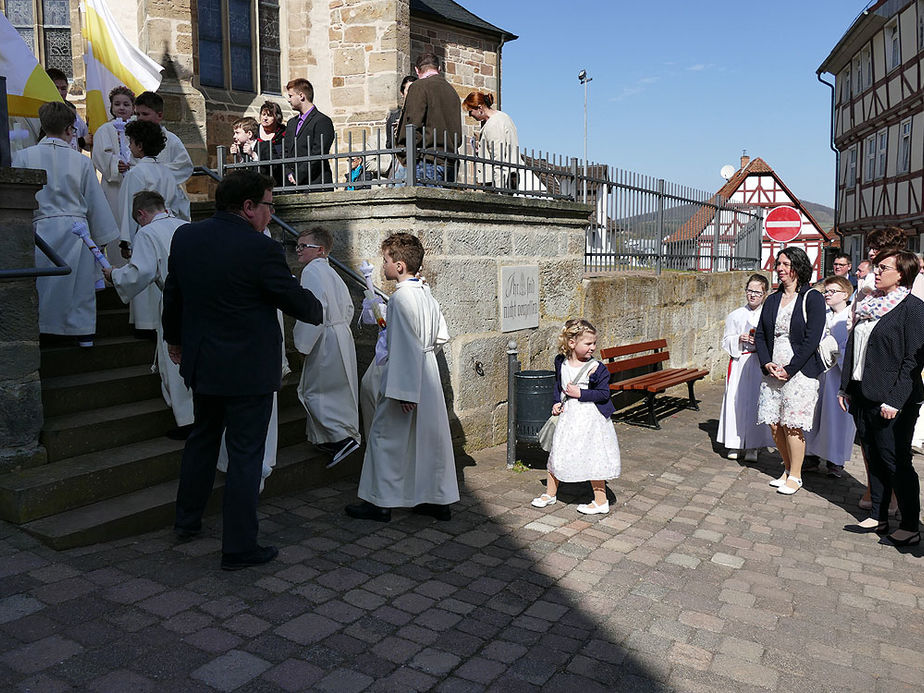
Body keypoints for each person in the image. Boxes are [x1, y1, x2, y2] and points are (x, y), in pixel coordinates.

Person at [162, 170, 323, 570]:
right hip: (248, 369)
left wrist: (174, 339)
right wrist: (316, 304)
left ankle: (187, 520)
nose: (271, 214)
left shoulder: (186, 237)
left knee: (202, 441)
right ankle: (238, 547)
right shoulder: (259, 249)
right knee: (246, 454)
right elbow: (294, 301)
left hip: (205, 363)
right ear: (249, 207)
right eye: (269, 205)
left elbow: (174, 292)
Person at [346, 233, 458, 522]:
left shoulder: (400, 298)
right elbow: (440, 335)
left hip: (409, 377)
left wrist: (405, 392)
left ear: (398, 266)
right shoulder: (425, 293)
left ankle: (379, 502)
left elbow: (405, 346)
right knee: (428, 441)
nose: (383, 266)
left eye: (385, 260)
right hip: (428, 371)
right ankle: (434, 499)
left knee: (385, 437)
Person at [12, 101, 119, 346]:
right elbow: (94, 200)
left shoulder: (23, 156)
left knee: (45, 283)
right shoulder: (80, 161)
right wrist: (100, 241)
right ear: (71, 129)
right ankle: (82, 333)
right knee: (78, 287)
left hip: (40, 229)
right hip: (75, 231)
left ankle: (43, 330)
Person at [839, 250, 924, 547]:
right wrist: (845, 386)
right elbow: (854, 345)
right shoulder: (869, 303)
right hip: (863, 392)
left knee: (896, 460)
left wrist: (896, 401)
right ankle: (878, 514)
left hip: (892, 400)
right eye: (876, 266)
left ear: (901, 273)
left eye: (883, 267)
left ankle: (911, 524)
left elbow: (913, 361)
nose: (876, 271)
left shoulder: (913, 309)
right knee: (873, 456)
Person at [102, 191, 193, 438]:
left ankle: (187, 421)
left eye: (137, 220)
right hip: (200, 301)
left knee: (174, 361)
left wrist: (114, 275)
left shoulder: (148, 232)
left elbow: (140, 272)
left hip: (175, 301)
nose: (138, 225)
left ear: (141, 214)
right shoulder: (186, 226)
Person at [755, 246, 826, 496]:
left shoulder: (812, 298)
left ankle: (796, 475)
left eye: (786, 264)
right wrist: (767, 363)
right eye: (779, 264)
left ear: (798, 267)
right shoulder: (773, 299)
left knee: (792, 424)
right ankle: (786, 468)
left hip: (800, 370)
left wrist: (790, 369)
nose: (780, 269)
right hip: (773, 368)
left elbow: (811, 339)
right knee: (774, 424)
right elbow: (761, 334)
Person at [531, 319, 621, 514]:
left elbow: (604, 394)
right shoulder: (560, 362)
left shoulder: (596, 368)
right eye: (588, 343)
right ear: (572, 343)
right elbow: (558, 385)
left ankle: (600, 500)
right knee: (558, 451)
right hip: (568, 417)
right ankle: (550, 493)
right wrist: (557, 401)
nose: (593, 347)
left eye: (594, 343)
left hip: (590, 419)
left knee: (592, 455)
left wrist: (581, 393)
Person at [292, 227, 361, 467]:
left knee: (315, 391)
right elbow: (350, 308)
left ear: (320, 250)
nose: (298, 250)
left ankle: (341, 440)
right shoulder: (332, 272)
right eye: (297, 245)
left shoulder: (311, 271)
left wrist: (302, 344)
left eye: (304, 246)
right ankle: (329, 439)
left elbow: (313, 309)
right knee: (337, 390)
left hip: (324, 337)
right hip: (340, 334)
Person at [118, 119, 187, 332]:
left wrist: (126, 240)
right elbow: (178, 201)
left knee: (146, 270)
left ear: (139, 145)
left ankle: (147, 323)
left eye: (131, 142)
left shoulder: (136, 173)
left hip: (146, 229)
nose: (129, 147)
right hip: (169, 228)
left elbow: (130, 208)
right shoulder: (167, 172)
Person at [717, 274, 774, 462]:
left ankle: (753, 446)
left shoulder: (769, 314)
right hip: (740, 361)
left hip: (759, 362)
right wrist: (738, 340)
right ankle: (734, 443)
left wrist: (760, 344)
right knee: (736, 401)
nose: (753, 295)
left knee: (756, 402)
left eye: (757, 292)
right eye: (750, 291)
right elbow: (726, 340)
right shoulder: (735, 315)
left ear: (765, 293)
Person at [804, 275, 856, 477]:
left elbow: (852, 346)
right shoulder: (823, 315)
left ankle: (835, 460)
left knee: (835, 418)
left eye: (832, 291)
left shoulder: (850, 317)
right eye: (826, 291)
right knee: (814, 415)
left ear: (845, 294)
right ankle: (811, 456)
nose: (827, 295)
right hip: (819, 373)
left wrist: (835, 352)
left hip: (838, 375)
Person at [396, 53, 462, 183]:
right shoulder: (451, 90)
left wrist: (407, 156)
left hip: (428, 160)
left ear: (416, 70)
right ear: (439, 69)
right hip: (449, 160)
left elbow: (412, 125)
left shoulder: (419, 86)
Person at [133, 91, 192, 220]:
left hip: (167, 199)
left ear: (159, 115)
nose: (140, 118)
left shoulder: (171, 140)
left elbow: (185, 166)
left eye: (145, 114)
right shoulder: (134, 140)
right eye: (137, 114)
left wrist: (156, 172)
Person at [91, 86, 135, 228]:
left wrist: (133, 164)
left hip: (136, 181)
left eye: (126, 104)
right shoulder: (104, 130)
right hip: (113, 187)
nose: (121, 108)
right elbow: (100, 155)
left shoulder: (139, 129)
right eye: (117, 104)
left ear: (133, 107)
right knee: (116, 222)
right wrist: (116, 165)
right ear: (111, 107)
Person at [283, 78, 335, 188]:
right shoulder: (292, 123)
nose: (288, 100)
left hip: (315, 183)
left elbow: (318, 153)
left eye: (291, 96)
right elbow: (286, 151)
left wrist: (298, 175)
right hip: (291, 184)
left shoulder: (322, 121)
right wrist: (289, 173)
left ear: (301, 96)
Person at [462, 91, 520, 190]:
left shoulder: (494, 124)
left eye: (470, 111)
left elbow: (498, 159)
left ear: (479, 108)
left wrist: (499, 190)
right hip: (510, 176)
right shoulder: (503, 117)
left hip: (498, 181)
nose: (470, 115)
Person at [46, 68, 89, 151]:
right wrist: (81, 141)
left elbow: (87, 142)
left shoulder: (73, 112)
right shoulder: (38, 114)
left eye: (63, 89)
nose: (60, 93)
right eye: (55, 88)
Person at [385, 75, 417, 183]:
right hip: (399, 162)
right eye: (409, 90)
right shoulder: (394, 117)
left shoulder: (423, 114)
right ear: (402, 93)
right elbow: (389, 144)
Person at [256, 101, 286, 186]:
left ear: (277, 117)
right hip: (257, 175)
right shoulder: (254, 131)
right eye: (263, 114)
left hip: (278, 177)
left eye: (269, 115)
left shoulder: (284, 133)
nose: (265, 118)